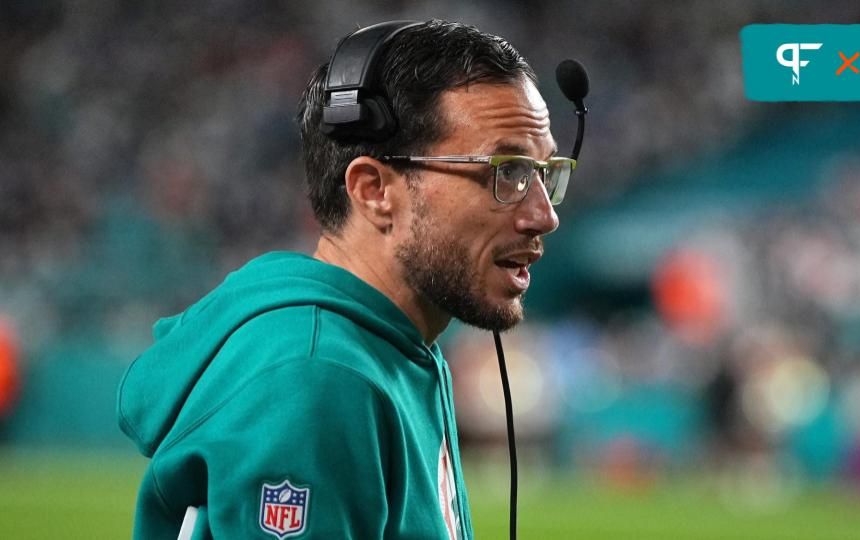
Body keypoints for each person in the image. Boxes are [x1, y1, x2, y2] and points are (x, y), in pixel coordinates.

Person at [117, 19, 573, 539]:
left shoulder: (389, 349)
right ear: (374, 190)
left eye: (544, 172)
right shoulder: (314, 375)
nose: (543, 214)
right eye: (507, 171)